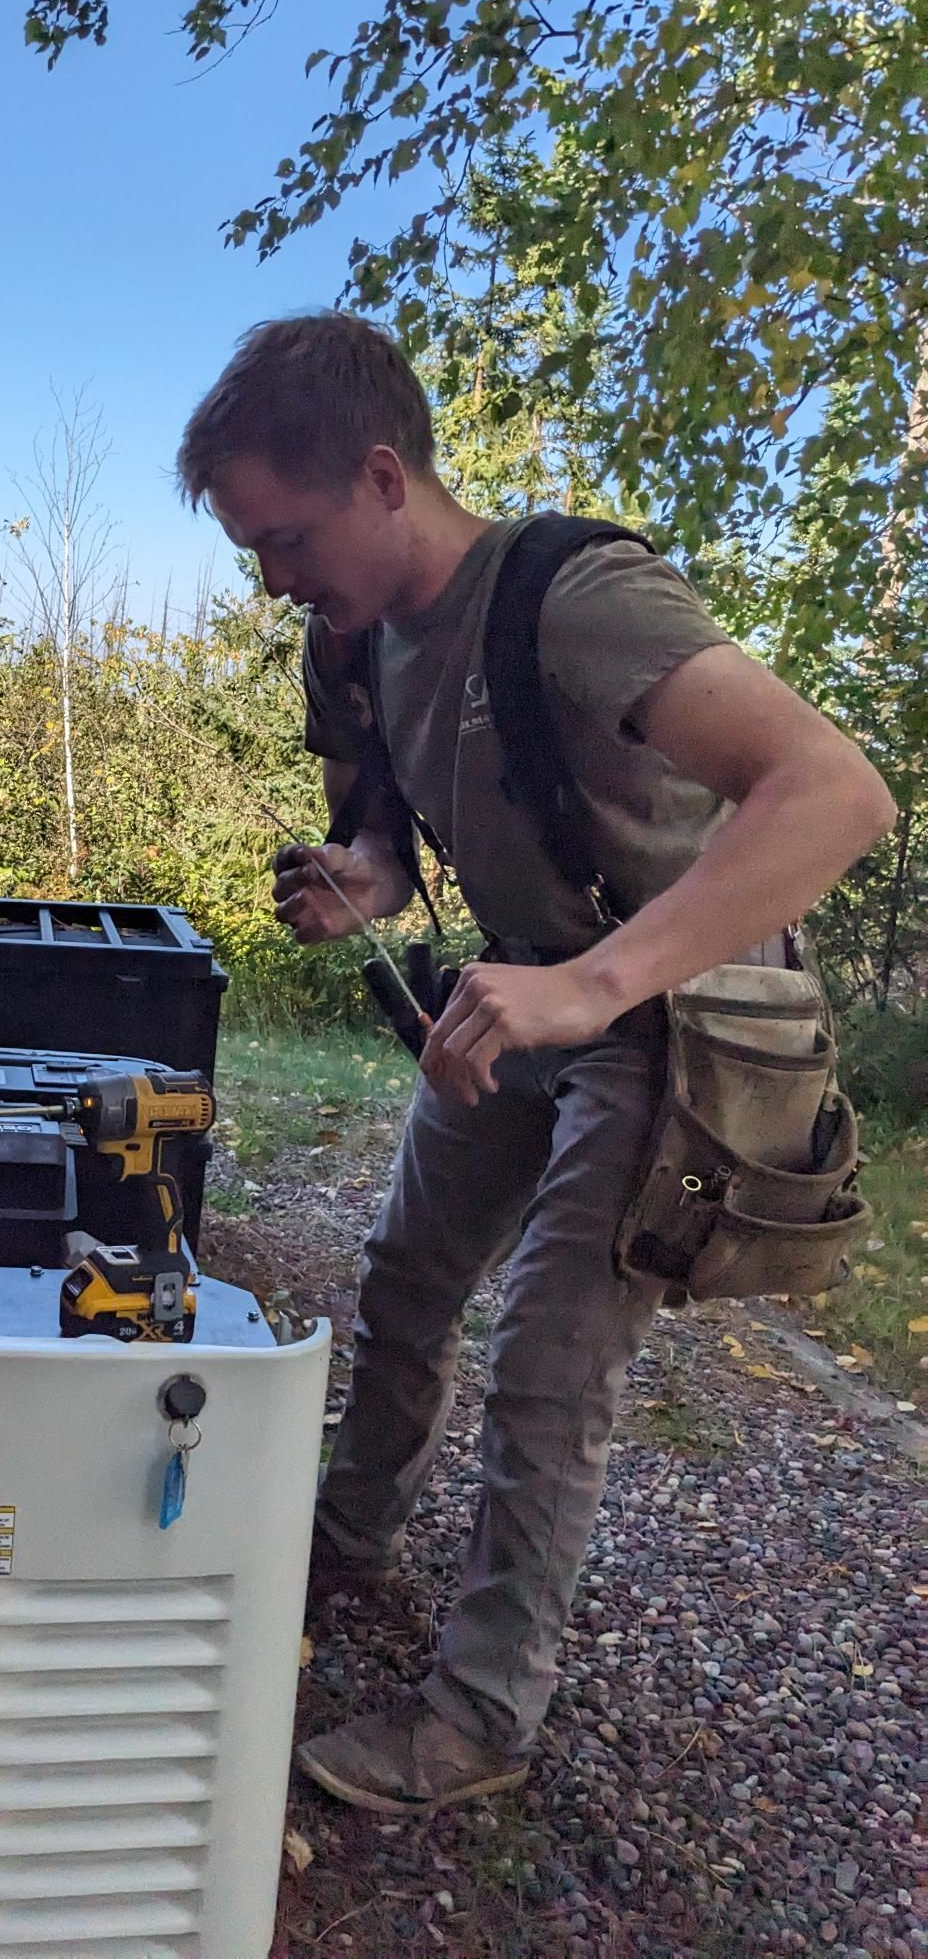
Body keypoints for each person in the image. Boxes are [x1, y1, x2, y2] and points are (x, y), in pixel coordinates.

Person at [176, 313, 895, 1817]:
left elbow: (836, 792)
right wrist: (366, 876)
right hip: (524, 998)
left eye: (287, 537)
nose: (274, 578)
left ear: (385, 477)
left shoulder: (574, 596)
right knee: (402, 1279)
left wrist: (600, 979)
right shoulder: (349, 637)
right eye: (254, 548)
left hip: (669, 1012)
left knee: (549, 1369)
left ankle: (483, 1716)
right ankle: (346, 1533)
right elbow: (386, 818)